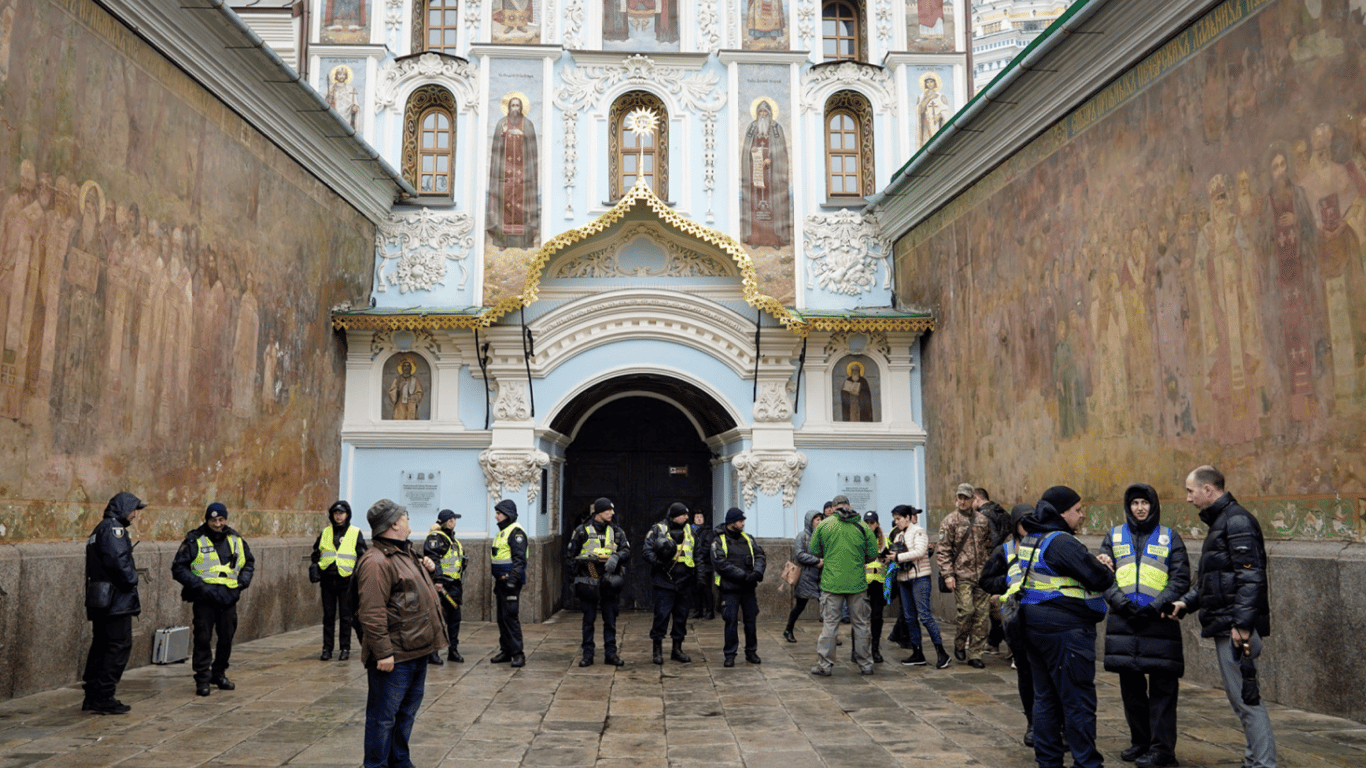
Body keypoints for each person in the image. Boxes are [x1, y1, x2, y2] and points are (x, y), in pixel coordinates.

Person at [1168, 466, 1277, 768]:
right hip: (1229, 623)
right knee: (1242, 699)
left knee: (1247, 701)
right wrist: (1186, 603)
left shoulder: (1236, 521)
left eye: (1190, 491)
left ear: (1208, 490)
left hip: (1235, 627)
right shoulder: (1223, 522)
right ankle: (1254, 759)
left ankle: (1262, 764)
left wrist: (1241, 625)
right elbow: (1213, 581)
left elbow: (1250, 578)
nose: (1188, 499)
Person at [1019, 486, 1116, 768]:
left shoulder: (1032, 538)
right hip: (1066, 633)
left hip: (1034, 627)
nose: (1082, 515)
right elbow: (1100, 579)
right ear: (1061, 513)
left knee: (1045, 698)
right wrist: (1104, 567)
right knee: (1077, 701)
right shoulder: (1061, 542)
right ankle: (1086, 763)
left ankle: (1048, 761)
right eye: (1077, 510)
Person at [1103, 483, 1191, 768]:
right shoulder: (1114, 536)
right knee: (1131, 690)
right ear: (1128, 506)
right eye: (1135, 503)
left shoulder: (1169, 537)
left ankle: (1162, 749)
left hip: (1159, 624)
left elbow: (1180, 578)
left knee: (1163, 691)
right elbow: (1104, 576)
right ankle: (1140, 742)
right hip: (1124, 622)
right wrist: (1122, 603)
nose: (1140, 508)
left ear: (1154, 506)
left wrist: (1155, 606)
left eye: (1145, 503)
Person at [356, 499, 445, 768]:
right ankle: (376, 765)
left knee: (406, 713)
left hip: (416, 649)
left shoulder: (405, 553)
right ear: (394, 523)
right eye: (405, 516)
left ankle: (399, 760)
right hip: (394, 656)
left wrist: (426, 569)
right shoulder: (376, 561)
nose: (408, 520)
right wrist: (383, 652)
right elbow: (371, 613)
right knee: (383, 717)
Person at [171, 502, 256, 697]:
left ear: (226, 519)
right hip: (205, 598)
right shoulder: (195, 540)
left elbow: (248, 563)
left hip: (228, 597)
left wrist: (242, 583)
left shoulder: (236, 539)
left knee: (226, 638)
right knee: (203, 638)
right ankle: (202, 678)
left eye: (221, 520)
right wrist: (199, 586)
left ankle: (219, 673)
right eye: (213, 520)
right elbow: (178, 568)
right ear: (207, 520)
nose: (217, 524)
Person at [81, 492, 145, 715]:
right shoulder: (113, 529)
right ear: (124, 508)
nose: (135, 515)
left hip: (101, 599)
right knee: (118, 646)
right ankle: (104, 696)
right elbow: (118, 562)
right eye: (133, 509)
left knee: (101, 646)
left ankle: (93, 694)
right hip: (115, 601)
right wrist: (132, 578)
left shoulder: (100, 529)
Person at [980, 503, 1039, 745]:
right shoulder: (1004, 551)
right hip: (1016, 622)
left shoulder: (1045, 545)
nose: (1027, 528)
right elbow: (985, 581)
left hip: (1043, 620)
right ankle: (1032, 724)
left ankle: (1057, 724)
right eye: (1023, 523)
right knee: (1026, 675)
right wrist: (1009, 580)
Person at [808, 495, 880, 676]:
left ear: (833, 508)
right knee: (861, 624)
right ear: (849, 505)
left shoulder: (824, 525)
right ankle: (866, 664)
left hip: (832, 584)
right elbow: (872, 553)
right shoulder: (863, 526)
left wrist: (831, 555)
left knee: (830, 625)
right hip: (857, 583)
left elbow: (815, 551)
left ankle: (825, 665)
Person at [566, 498, 629, 667]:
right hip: (590, 576)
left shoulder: (616, 531)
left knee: (610, 620)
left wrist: (616, 557)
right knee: (588, 620)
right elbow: (570, 556)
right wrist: (574, 581)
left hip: (609, 578)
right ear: (599, 512)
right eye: (608, 510)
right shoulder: (582, 531)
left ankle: (611, 654)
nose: (612, 513)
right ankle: (588, 655)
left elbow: (626, 550)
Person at [937, 482, 994, 668]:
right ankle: (960, 642)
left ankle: (975, 654)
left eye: (965, 498)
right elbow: (943, 550)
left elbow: (988, 545)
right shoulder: (949, 521)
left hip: (982, 575)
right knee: (967, 611)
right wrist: (948, 575)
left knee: (982, 616)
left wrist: (989, 569)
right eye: (959, 497)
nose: (961, 501)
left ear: (973, 500)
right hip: (961, 575)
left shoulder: (983, 521)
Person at [889, 504, 949, 669]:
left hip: (920, 578)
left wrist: (897, 557)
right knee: (909, 617)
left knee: (924, 615)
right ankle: (917, 653)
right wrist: (887, 557)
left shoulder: (919, 531)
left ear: (908, 517)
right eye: (895, 519)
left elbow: (920, 551)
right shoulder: (898, 536)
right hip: (904, 579)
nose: (897, 522)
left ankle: (942, 653)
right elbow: (897, 555)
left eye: (899, 519)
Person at [310, 499, 367, 661]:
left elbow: (362, 556)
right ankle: (327, 649)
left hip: (346, 581)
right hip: (327, 580)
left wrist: (358, 577)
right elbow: (316, 553)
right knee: (328, 616)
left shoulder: (355, 532)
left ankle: (345, 648)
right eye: (336, 513)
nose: (339, 517)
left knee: (346, 616)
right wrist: (315, 567)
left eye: (341, 513)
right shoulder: (326, 532)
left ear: (347, 515)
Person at [711, 507, 766, 667]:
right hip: (730, 590)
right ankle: (730, 654)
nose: (743, 523)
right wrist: (743, 575)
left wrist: (757, 572)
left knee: (750, 621)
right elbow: (720, 564)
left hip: (748, 588)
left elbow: (760, 555)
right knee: (731, 622)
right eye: (740, 521)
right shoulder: (718, 541)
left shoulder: (748, 538)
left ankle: (751, 652)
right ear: (731, 522)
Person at [643, 501, 697, 664]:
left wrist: (696, 574)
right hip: (665, 580)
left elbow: (698, 551)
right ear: (674, 516)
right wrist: (659, 563)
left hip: (684, 581)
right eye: (683, 514)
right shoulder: (658, 529)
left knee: (681, 617)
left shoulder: (690, 530)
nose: (687, 517)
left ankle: (677, 649)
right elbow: (647, 551)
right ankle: (657, 651)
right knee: (661, 616)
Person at [486, 96, 540, 248]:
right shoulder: (501, 124)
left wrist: (522, 136)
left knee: (522, 209)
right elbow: (496, 150)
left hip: (523, 177)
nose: (515, 109)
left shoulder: (528, 124)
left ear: (521, 107)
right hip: (505, 177)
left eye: (518, 106)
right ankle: (503, 243)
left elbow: (533, 149)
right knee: (504, 208)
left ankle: (524, 241)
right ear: (509, 108)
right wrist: (504, 135)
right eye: (513, 106)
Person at [423, 508, 467, 664]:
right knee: (437, 619)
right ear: (450, 522)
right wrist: (438, 581)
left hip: (454, 586)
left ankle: (453, 650)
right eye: (454, 519)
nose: (455, 522)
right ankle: (432, 653)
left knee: (455, 619)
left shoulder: (452, 540)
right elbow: (433, 561)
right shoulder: (435, 539)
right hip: (441, 586)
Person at [490, 498, 527, 667]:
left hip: (510, 583)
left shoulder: (516, 532)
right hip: (501, 582)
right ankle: (506, 651)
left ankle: (518, 654)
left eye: (498, 513)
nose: (496, 516)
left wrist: (512, 580)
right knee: (501, 618)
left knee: (511, 617)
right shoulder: (502, 532)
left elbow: (519, 559)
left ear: (507, 514)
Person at [974, 487, 1011, 653]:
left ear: (977, 498)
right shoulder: (1002, 511)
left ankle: (998, 643)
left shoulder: (985, 514)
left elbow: (992, 540)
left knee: (994, 607)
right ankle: (994, 641)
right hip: (1007, 562)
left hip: (994, 564)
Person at [783, 508, 824, 643]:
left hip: (821, 576)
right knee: (800, 606)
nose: (820, 521)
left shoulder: (822, 535)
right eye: (817, 519)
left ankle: (830, 635)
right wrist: (817, 561)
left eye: (821, 519)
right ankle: (788, 630)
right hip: (806, 577)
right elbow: (799, 554)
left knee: (826, 607)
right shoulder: (803, 536)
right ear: (810, 521)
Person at [862, 511, 889, 663]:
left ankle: (875, 649)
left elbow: (889, 559)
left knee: (877, 617)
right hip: (863, 581)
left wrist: (885, 559)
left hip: (878, 582)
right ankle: (857, 649)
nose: (869, 525)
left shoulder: (883, 539)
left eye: (872, 522)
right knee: (859, 617)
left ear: (877, 523)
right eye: (867, 522)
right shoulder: (859, 537)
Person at [689, 510, 716, 620]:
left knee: (706, 589)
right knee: (695, 589)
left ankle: (709, 611)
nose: (699, 519)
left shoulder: (708, 531)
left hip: (705, 564)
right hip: (693, 564)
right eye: (697, 517)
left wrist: (697, 555)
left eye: (701, 517)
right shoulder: (690, 531)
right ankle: (698, 610)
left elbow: (706, 546)